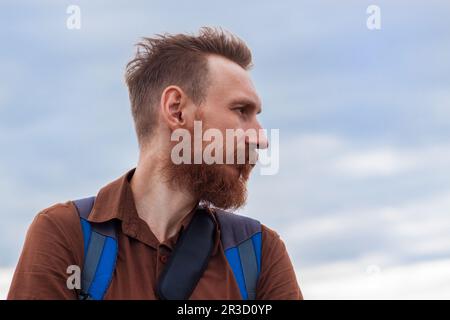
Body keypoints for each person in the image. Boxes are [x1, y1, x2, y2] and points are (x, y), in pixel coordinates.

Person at [8, 27, 303, 300]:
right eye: (241, 111)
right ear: (176, 110)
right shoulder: (65, 234)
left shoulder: (259, 251)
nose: (261, 139)